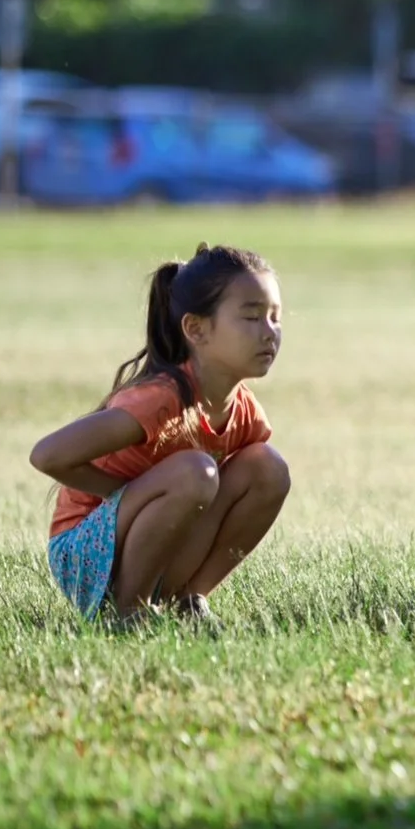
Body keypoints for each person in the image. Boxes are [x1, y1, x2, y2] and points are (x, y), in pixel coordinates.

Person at [30, 244, 292, 620]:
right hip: (84, 553)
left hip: (157, 547)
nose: (269, 333)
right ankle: (128, 613)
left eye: (275, 318)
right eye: (251, 318)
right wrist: (121, 495)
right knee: (195, 473)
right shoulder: (158, 400)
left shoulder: (247, 414)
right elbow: (47, 455)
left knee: (268, 467)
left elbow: (244, 493)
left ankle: (189, 600)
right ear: (196, 329)